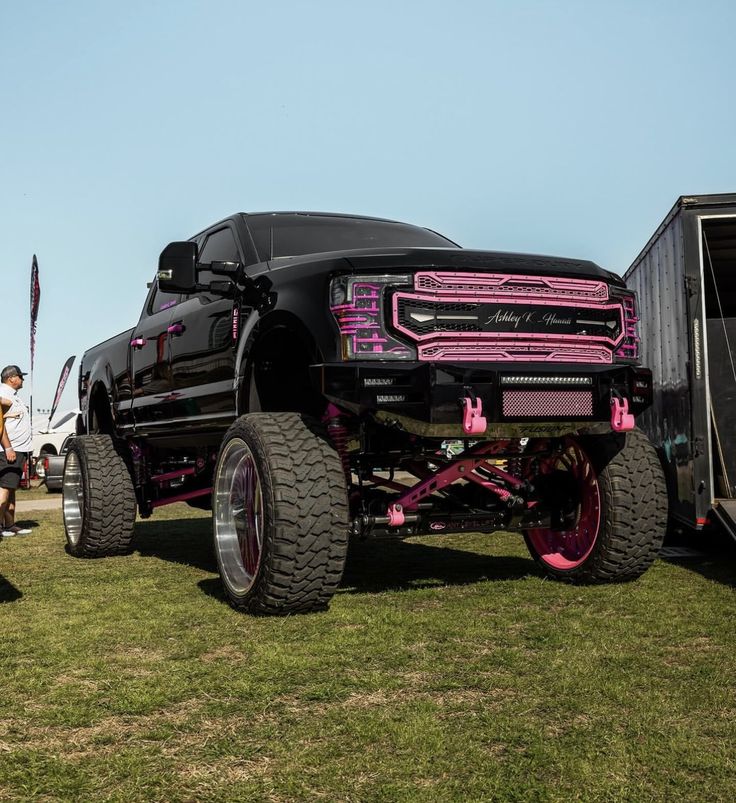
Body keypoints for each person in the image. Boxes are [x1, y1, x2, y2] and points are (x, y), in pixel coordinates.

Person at [0, 365, 33, 537]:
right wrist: (8, 447)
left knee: (11, 488)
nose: (22, 379)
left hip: (19, 449)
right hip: (9, 450)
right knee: (5, 488)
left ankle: (9, 524)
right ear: (11, 378)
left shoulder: (13, 396)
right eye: (20, 376)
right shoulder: (4, 394)